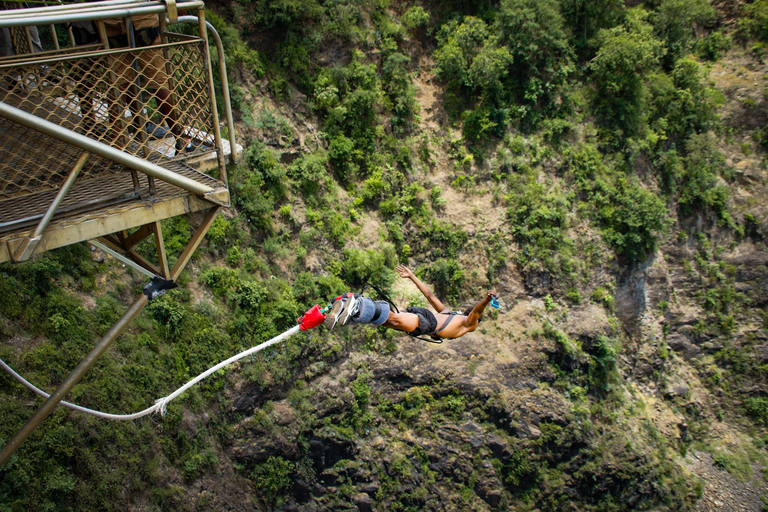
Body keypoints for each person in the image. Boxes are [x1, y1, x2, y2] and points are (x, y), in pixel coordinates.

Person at [325, 264, 496, 341]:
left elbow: (430, 296)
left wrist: (413, 276)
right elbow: (476, 312)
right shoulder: (469, 323)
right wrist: (487, 299)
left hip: (425, 324)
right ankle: (357, 306)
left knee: (386, 321)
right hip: (427, 323)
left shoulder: (451, 314)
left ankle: (350, 313)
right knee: (393, 318)